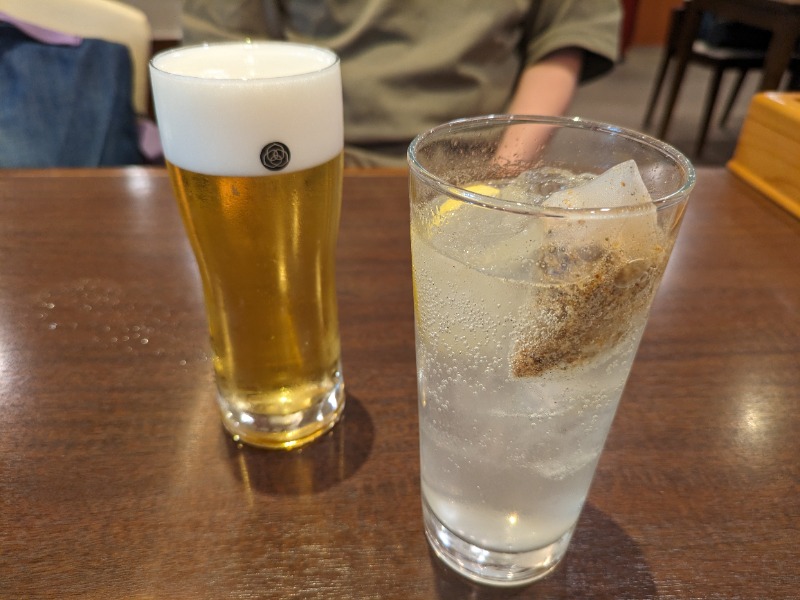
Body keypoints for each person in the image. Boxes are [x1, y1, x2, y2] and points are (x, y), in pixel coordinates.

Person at [181, 1, 621, 167]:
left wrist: (502, 176)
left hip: (482, 158)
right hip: (321, 162)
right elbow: (224, 48)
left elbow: (564, 35)